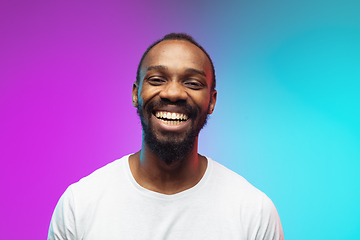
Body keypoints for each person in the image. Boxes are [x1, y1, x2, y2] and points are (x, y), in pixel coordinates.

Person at [48, 33, 284, 240]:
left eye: (192, 83)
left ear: (211, 101)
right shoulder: (79, 206)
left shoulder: (254, 212)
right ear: (135, 93)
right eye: (157, 80)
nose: (173, 93)